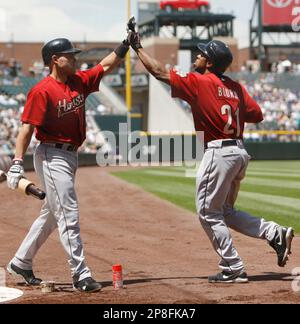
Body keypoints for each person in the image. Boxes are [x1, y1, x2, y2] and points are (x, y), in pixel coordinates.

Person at [127, 28, 294, 283]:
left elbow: (159, 72)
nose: (197, 55)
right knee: (225, 211)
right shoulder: (236, 87)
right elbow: (257, 114)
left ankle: (232, 266)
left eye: (202, 53)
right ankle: (274, 232)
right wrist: (228, 104)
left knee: (208, 213)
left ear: (211, 62)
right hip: (239, 152)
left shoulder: (199, 81)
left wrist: (137, 47)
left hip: (219, 152)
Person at [6, 37, 130, 292]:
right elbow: (26, 129)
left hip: (70, 155)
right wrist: (18, 163)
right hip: (52, 154)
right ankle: (80, 274)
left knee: (52, 213)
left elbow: (105, 66)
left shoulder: (78, 81)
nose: (75, 59)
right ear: (55, 60)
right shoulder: (41, 90)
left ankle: (21, 261)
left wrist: (125, 44)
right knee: (68, 212)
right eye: (69, 55)